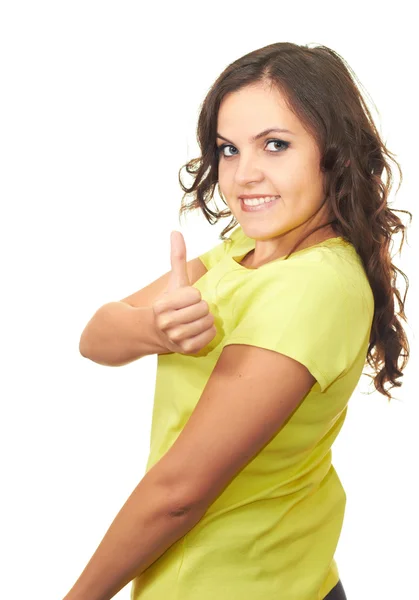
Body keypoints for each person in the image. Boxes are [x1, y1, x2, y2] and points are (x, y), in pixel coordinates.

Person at [74, 42, 411, 600]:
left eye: (275, 145)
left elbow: (178, 492)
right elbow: (95, 338)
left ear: (336, 153)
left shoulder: (312, 285)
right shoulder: (244, 252)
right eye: (229, 150)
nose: (243, 175)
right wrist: (154, 331)